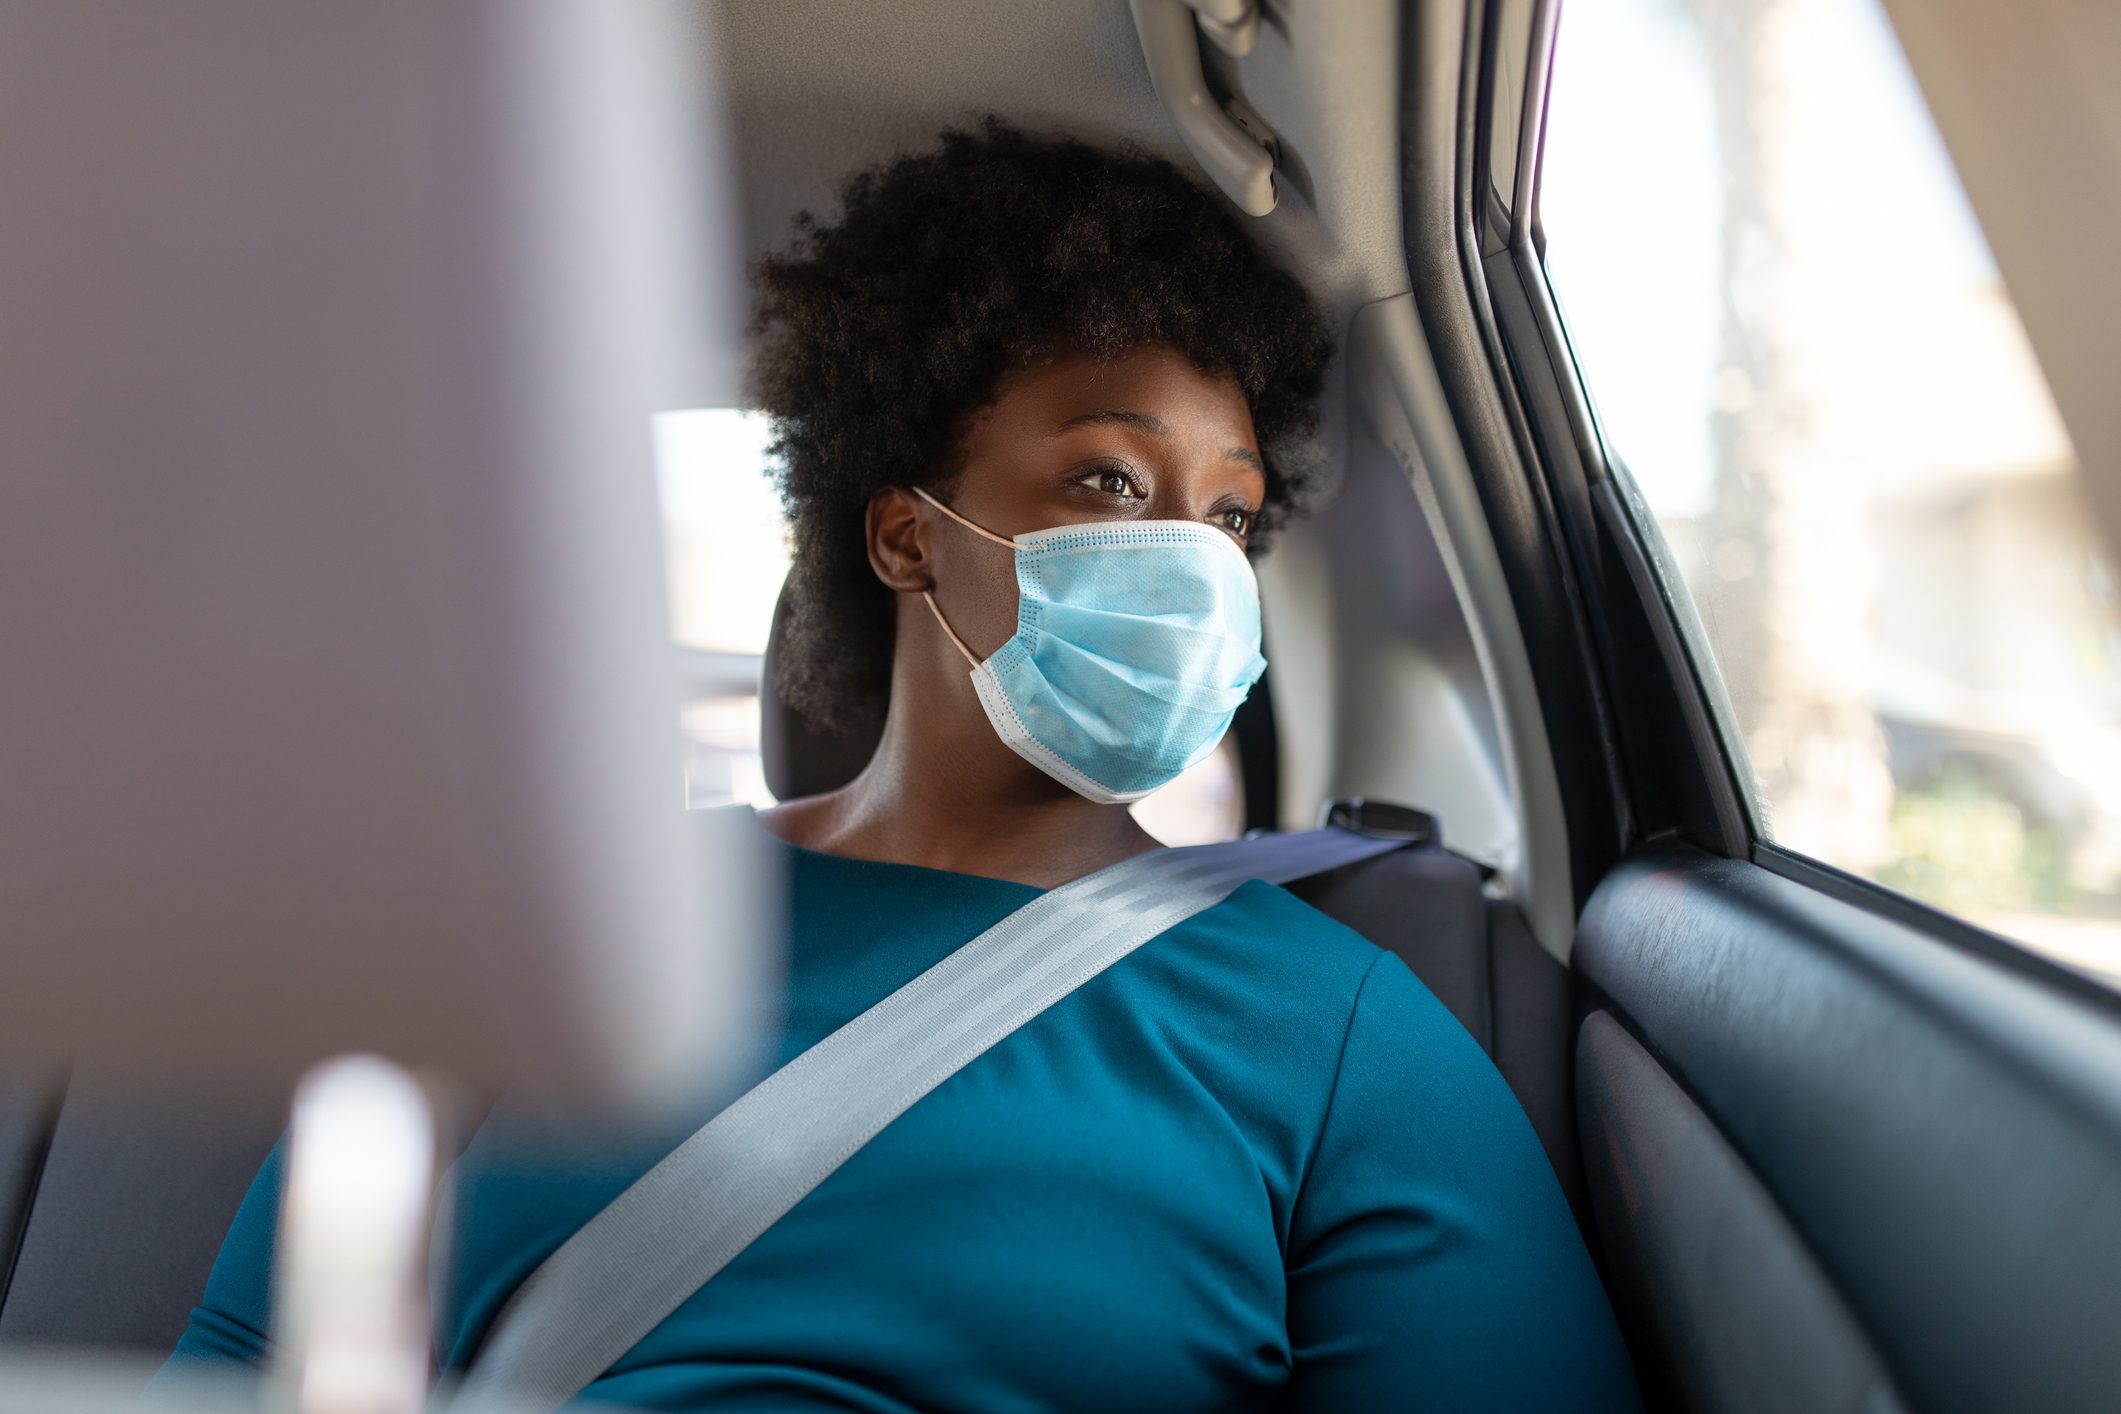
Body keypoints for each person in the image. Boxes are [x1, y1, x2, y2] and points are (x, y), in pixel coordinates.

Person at [164, 121, 1640, 1411]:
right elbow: (254, 1362)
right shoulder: (549, 927)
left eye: (1230, 518)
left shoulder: (1347, 1039)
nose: (1189, 563)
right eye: (1109, 481)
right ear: (905, 532)